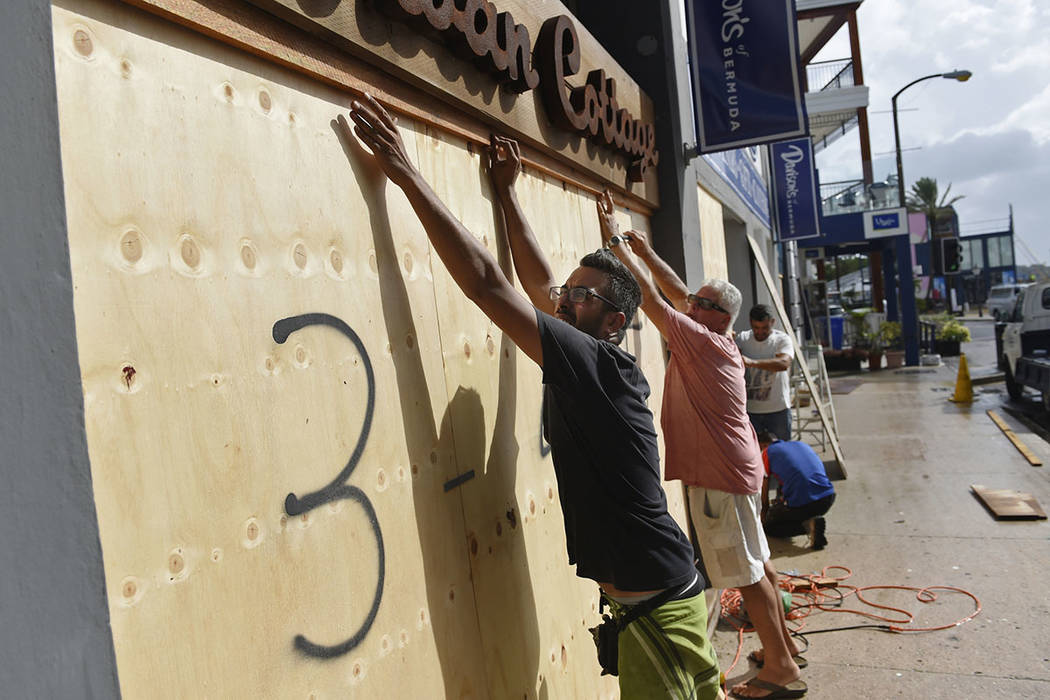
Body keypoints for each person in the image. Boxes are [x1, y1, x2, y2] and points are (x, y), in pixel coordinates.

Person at [343, 97, 720, 700]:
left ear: (615, 321)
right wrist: (508, 195)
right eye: (569, 292)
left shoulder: (596, 365)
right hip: (648, 606)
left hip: (660, 614)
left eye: (581, 297)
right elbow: (539, 280)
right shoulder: (588, 348)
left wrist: (408, 174)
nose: (565, 300)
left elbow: (493, 285)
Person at [597, 203, 805, 700]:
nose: (690, 305)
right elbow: (677, 291)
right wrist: (648, 250)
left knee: (745, 574)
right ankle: (785, 650)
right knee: (760, 565)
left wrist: (615, 243)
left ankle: (781, 671)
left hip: (718, 477)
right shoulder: (720, 333)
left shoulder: (702, 341)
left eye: (700, 304)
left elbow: (651, 296)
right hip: (736, 470)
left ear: (717, 316)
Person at [758, 432, 835, 551]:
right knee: (792, 506)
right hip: (827, 498)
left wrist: (764, 518)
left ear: (762, 445)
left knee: (770, 527)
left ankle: (808, 526)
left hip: (805, 503)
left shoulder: (766, 453)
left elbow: (764, 492)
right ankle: (812, 522)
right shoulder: (800, 444)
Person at [735, 305, 793, 442]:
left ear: (772, 322)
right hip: (750, 411)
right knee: (753, 456)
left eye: (765, 328)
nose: (760, 332)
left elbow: (784, 363)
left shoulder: (781, 339)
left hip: (778, 410)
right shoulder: (743, 339)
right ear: (750, 322)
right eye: (756, 328)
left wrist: (752, 362)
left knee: (782, 453)